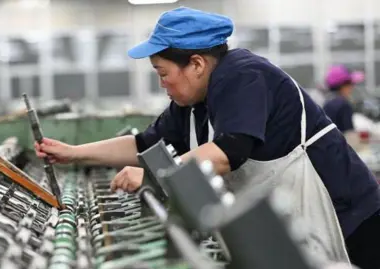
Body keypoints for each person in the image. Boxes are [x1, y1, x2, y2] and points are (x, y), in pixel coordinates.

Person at [35, 7, 380, 268]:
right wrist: (73, 152)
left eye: (163, 73)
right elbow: (143, 145)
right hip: (297, 219)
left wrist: (155, 176)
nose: (162, 84)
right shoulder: (191, 103)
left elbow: (227, 152)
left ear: (197, 64)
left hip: (350, 217)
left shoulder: (243, 76)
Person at [323, 66, 364, 149]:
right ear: (342, 86)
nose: (352, 87)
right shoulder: (344, 104)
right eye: (350, 84)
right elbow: (349, 134)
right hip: (342, 148)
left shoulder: (327, 103)